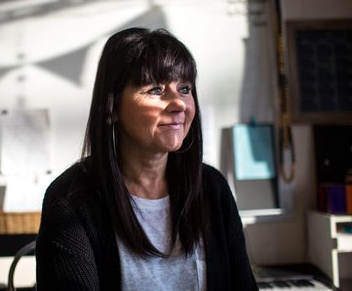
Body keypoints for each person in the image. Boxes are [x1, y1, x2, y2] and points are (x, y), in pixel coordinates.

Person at [35, 27, 257, 290]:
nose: (179, 104)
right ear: (112, 107)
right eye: (155, 89)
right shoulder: (71, 199)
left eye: (185, 88)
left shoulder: (212, 188)